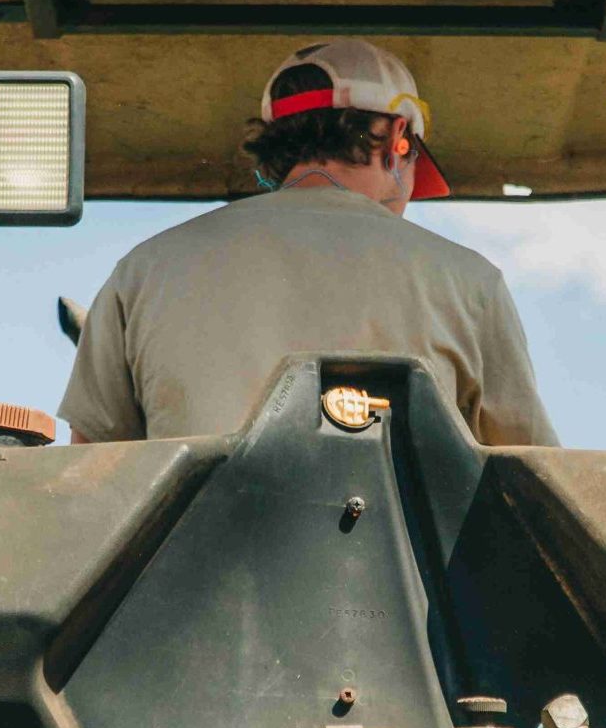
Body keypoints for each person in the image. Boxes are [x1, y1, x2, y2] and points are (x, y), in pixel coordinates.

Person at [59, 39, 557, 447]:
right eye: (413, 165)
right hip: (408, 571)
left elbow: (91, 478)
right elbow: (534, 482)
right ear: (396, 139)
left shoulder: (144, 270)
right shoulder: (470, 282)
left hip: (197, 568)